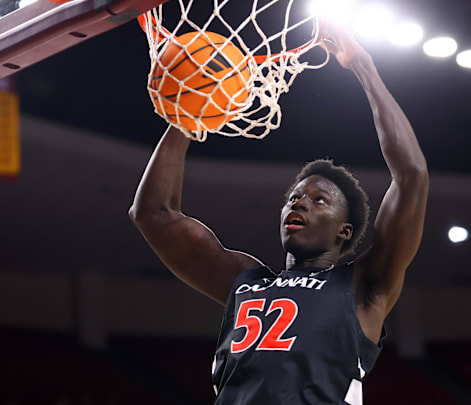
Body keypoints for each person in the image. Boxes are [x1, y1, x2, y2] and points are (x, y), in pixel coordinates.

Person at [129, 21, 429, 405]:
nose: (299, 202)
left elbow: (411, 175)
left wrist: (362, 65)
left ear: (344, 230)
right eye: (294, 197)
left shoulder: (364, 286)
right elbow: (153, 214)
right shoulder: (246, 280)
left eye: (319, 200)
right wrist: (194, 109)